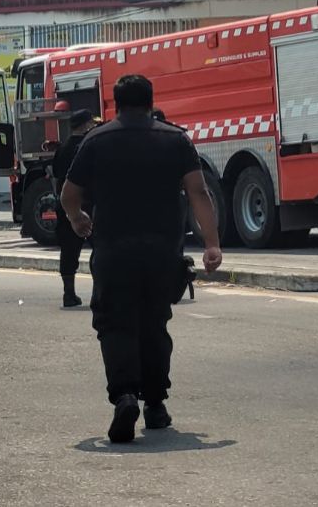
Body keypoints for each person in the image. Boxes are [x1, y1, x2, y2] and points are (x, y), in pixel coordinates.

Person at [61, 74, 223, 444]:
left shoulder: (96, 140)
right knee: (154, 322)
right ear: (151, 102)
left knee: (115, 324)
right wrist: (212, 243)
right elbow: (199, 192)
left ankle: (125, 395)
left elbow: (69, 193)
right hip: (162, 252)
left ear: (115, 105)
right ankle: (155, 404)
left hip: (114, 251)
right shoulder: (175, 139)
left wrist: (77, 218)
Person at [51, 109, 96, 308]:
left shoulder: (63, 148)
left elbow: (56, 178)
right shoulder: (91, 145)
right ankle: (99, 292)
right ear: (86, 125)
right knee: (101, 248)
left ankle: (68, 293)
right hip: (91, 204)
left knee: (69, 251)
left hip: (66, 205)